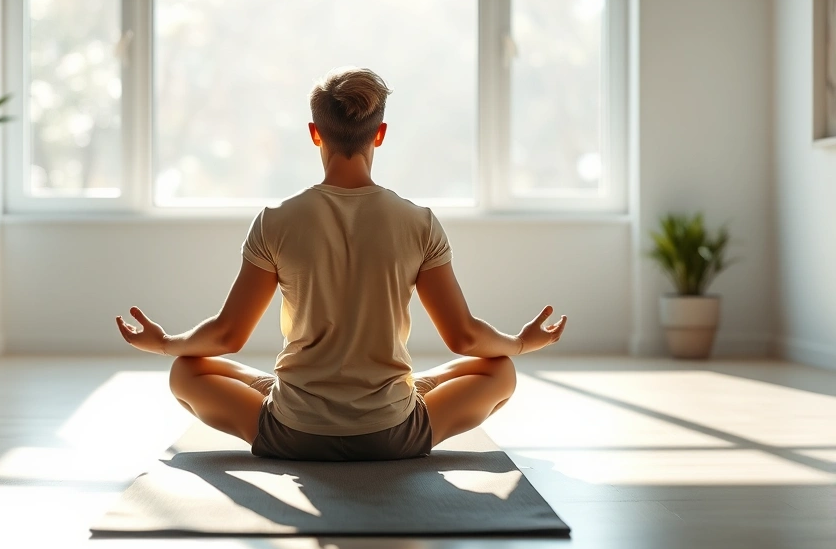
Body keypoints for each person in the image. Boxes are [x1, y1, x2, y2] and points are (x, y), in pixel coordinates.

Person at [116, 67, 566, 461]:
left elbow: (228, 336)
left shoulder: (276, 221)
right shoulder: (420, 223)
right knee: (501, 368)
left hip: (293, 432)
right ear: (380, 133)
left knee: (184, 369)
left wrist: (165, 342)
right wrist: (520, 343)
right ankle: (400, 400)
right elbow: (464, 337)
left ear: (315, 132)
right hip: (394, 435)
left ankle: (304, 401)